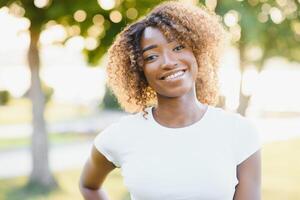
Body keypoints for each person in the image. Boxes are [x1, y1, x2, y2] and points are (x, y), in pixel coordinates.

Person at [79, 1, 261, 200]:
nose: (168, 62)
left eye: (178, 47)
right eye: (151, 57)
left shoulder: (239, 133)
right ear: (139, 71)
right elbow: (89, 186)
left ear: (197, 51)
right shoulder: (122, 135)